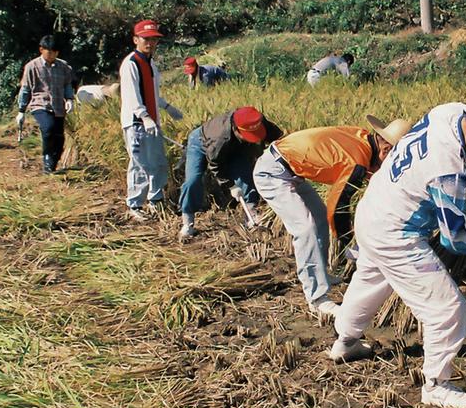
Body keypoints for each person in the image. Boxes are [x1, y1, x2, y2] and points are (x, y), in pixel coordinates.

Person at [327, 95, 466, 408]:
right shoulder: (448, 171)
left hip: (373, 209)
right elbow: (454, 238)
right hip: (396, 234)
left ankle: (345, 342)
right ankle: (436, 386)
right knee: (448, 309)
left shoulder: (450, 112)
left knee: (370, 280)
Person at [253, 114, 412, 318]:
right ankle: (317, 298)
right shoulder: (356, 160)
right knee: (306, 228)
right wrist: (347, 244)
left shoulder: (363, 139)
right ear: (386, 149)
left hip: (291, 169)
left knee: (318, 217)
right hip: (272, 172)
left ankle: (321, 274)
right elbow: (338, 206)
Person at [177, 106, 284, 239]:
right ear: (236, 129)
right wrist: (231, 186)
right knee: (193, 180)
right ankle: (188, 221)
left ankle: (251, 214)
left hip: (235, 146)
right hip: (200, 143)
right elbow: (215, 165)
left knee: (246, 176)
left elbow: (279, 139)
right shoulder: (220, 138)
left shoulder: (255, 120)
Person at [120, 20, 184, 221]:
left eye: (154, 39)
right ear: (136, 39)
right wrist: (144, 116)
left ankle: (155, 201)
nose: (150, 43)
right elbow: (132, 96)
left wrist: (166, 107)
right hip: (137, 123)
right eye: (146, 39)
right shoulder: (131, 64)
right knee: (140, 164)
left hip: (152, 122)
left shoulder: (151, 63)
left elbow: (152, 93)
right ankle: (135, 204)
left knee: (158, 162)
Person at [16, 34, 75, 174]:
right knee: (48, 128)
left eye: (55, 52)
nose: (52, 55)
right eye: (49, 52)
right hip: (40, 104)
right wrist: (21, 110)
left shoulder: (64, 67)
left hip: (58, 107)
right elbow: (25, 89)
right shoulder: (31, 67)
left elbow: (67, 84)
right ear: (41, 49)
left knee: (59, 138)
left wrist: (70, 99)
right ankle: (47, 159)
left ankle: (52, 165)